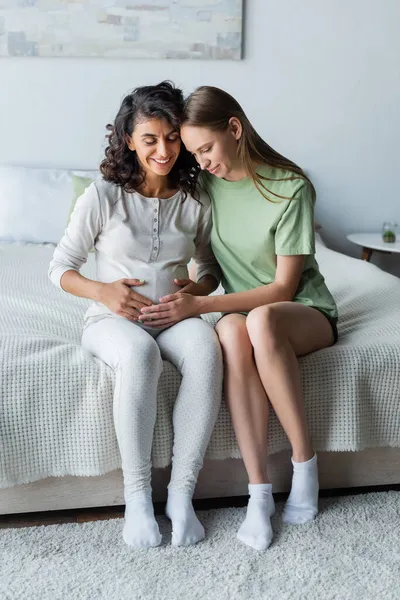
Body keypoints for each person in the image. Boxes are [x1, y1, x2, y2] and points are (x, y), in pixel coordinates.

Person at [139, 85, 339, 551]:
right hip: (241, 313)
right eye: (194, 153)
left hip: (302, 312)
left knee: (260, 321)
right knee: (231, 329)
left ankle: (305, 467)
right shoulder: (204, 186)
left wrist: (201, 306)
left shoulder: (291, 187)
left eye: (205, 149)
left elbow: (283, 289)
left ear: (234, 128)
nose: (201, 161)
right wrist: (196, 288)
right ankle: (258, 493)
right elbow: (207, 264)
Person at [48, 82, 223, 549]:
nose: (163, 150)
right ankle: (138, 499)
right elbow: (60, 267)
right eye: (150, 139)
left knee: (208, 349)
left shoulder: (196, 198)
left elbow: (208, 268)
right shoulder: (103, 195)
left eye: (171, 137)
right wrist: (103, 291)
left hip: (177, 319)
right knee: (140, 355)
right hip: (112, 323)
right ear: (129, 139)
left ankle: (182, 496)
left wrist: (198, 290)